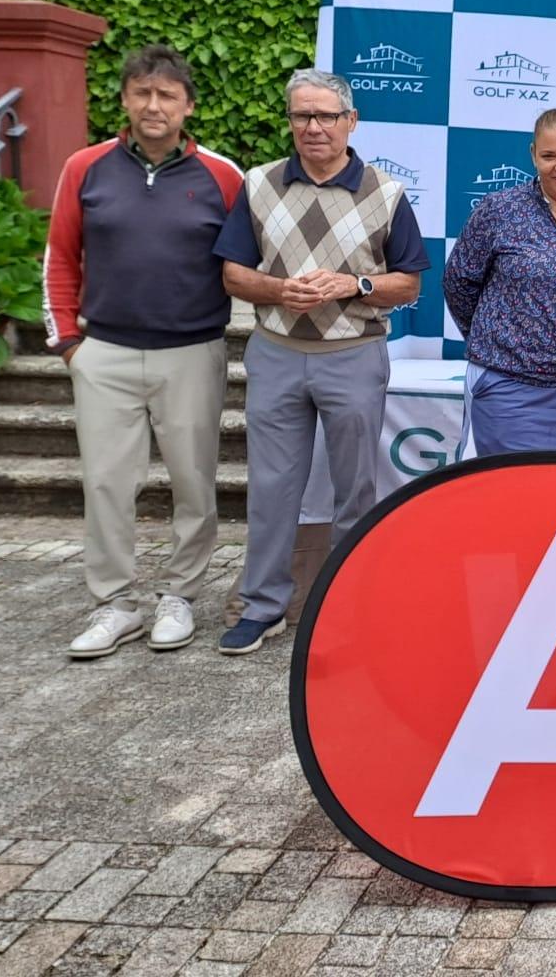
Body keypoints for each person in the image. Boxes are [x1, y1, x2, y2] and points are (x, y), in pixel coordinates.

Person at [214, 68, 427, 655]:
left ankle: (348, 602)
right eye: (302, 115)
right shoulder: (258, 185)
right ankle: (263, 606)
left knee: (355, 488)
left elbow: (407, 283)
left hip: (352, 355)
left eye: (326, 116)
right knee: (272, 486)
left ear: (350, 122)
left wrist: (352, 284)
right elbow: (233, 272)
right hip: (277, 352)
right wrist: (281, 291)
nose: (313, 127)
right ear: (290, 121)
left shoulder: (385, 192)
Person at [48, 45, 244, 659]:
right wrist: (70, 344)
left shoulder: (223, 175)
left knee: (194, 483)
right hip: (103, 351)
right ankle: (115, 604)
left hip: (191, 352)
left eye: (166, 95)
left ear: (188, 106)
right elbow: (58, 256)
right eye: (142, 93)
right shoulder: (85, 168)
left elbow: (245, 264)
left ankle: (181, 595)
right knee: (106, 483)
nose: (153, 105)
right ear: (126, 100)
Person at [444, 110, 556, 455]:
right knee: (508, 497)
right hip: (507, 388)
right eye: (549, 156)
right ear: (532, 154)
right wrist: (499, 339)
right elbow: (459, 282)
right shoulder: (498, 210)